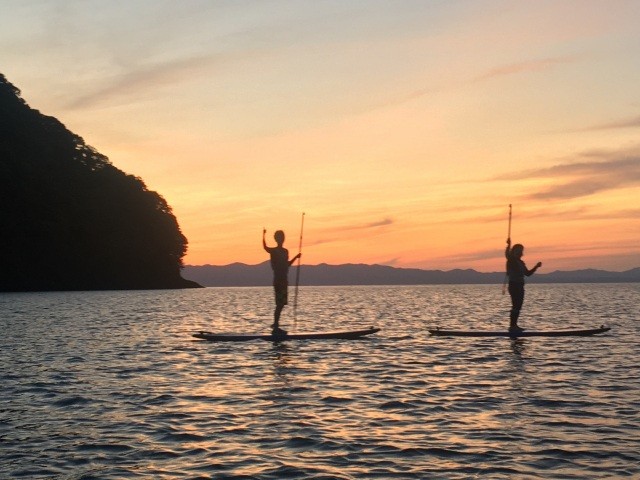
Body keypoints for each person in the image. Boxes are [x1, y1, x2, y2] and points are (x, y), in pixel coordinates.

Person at [263, 228, 301, 336]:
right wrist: (263, 235)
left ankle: (276, 325)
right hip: (278, 280)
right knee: (279, 304)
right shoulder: (274, 251)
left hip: (284, 280)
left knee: (282, 304)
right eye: (280, 237)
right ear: (276, 239)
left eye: (283, 237)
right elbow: (265, 247)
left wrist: (296, 257)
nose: (282, 239)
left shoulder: (285, 251)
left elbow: (287, 264)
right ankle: (275, 326)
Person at [505, 238, 542, 332]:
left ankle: (514, 325)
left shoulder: (521, 263)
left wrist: (536, 267)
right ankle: (512, 326)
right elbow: (507, 255)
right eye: (519, 250)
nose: (521, 252)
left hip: (520, 286)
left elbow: (528, 274)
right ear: (515, 251)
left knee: (518, 306)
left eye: (521, 250)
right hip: (514, 285)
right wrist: (508, 245)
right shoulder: (511, 260)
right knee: (515, 305)